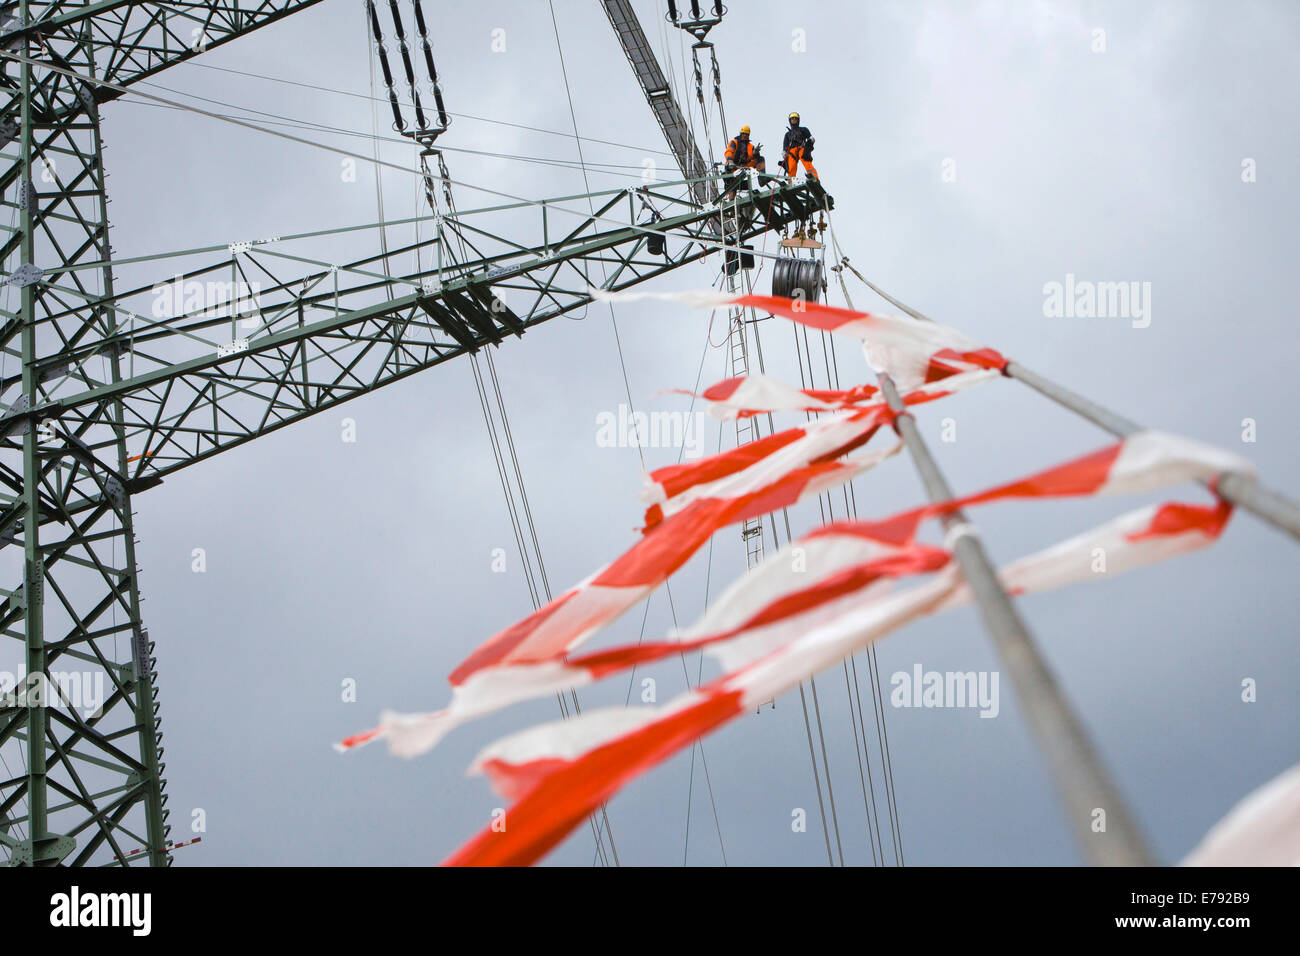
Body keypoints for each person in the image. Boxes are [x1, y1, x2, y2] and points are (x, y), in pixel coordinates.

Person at [723, 124, 765, 195]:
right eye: (743, 134)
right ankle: (732, 200)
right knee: (732, 186)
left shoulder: (750, 146)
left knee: (760, 159)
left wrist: (755, 152)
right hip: (733, 167)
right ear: (740, 134)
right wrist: (730, 161)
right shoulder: (734, 142)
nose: (745, 136)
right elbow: (729, 151)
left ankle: (762, 179)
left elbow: (752, 157)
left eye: (746, 134)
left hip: (744, 167)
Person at [781, 112, 819, 181]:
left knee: (806, 162)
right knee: (791, 167)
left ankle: (814, 177)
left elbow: (811, 138)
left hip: (801, 148)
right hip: (792, 151)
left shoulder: (803, 129)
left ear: (798, 120)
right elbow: (785, 146)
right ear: (790, 120)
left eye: (795, 118)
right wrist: (784, 153)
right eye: (792, 118)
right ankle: (791, 182)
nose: (794, 120)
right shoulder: (787, 134)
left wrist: (809, 143)